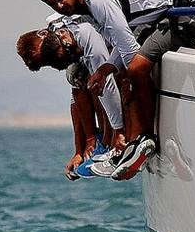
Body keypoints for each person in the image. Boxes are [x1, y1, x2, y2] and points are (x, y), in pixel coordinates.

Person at [33, 0, 195, 179]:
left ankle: (141, 142)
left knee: (134, 70)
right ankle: (136, 144)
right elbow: (120, 42)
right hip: (163, 17)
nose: (60, 5)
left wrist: (118, 79)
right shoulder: (89, 9)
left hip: (188, 10)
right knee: (126, 69)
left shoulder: (99, 3)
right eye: (53, 3)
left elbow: (130, 54)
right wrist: (105, 70)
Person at [16, 19, 126, 179]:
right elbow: (75, 99)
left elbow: (107, 87)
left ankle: (107, 141)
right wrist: (79, 150)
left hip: (118, 47)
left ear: (43, 34)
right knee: (76, 75)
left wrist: (118, 131)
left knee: (94, 80)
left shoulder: (75, 33)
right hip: (104, 61)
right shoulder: (59, 38)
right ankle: (97, 142)